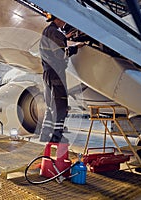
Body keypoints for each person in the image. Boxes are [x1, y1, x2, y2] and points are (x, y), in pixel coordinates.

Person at [39, 14, 84, 143]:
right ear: (58, 18)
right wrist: (75, 47)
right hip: (57, 73)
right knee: (61, 105)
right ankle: (57, 136)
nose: (65, 21)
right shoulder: (55, 33)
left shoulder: (47, 31)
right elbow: (60, 54)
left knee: (50, 105)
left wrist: (65, 38)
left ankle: (45, 134)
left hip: (47, 73)